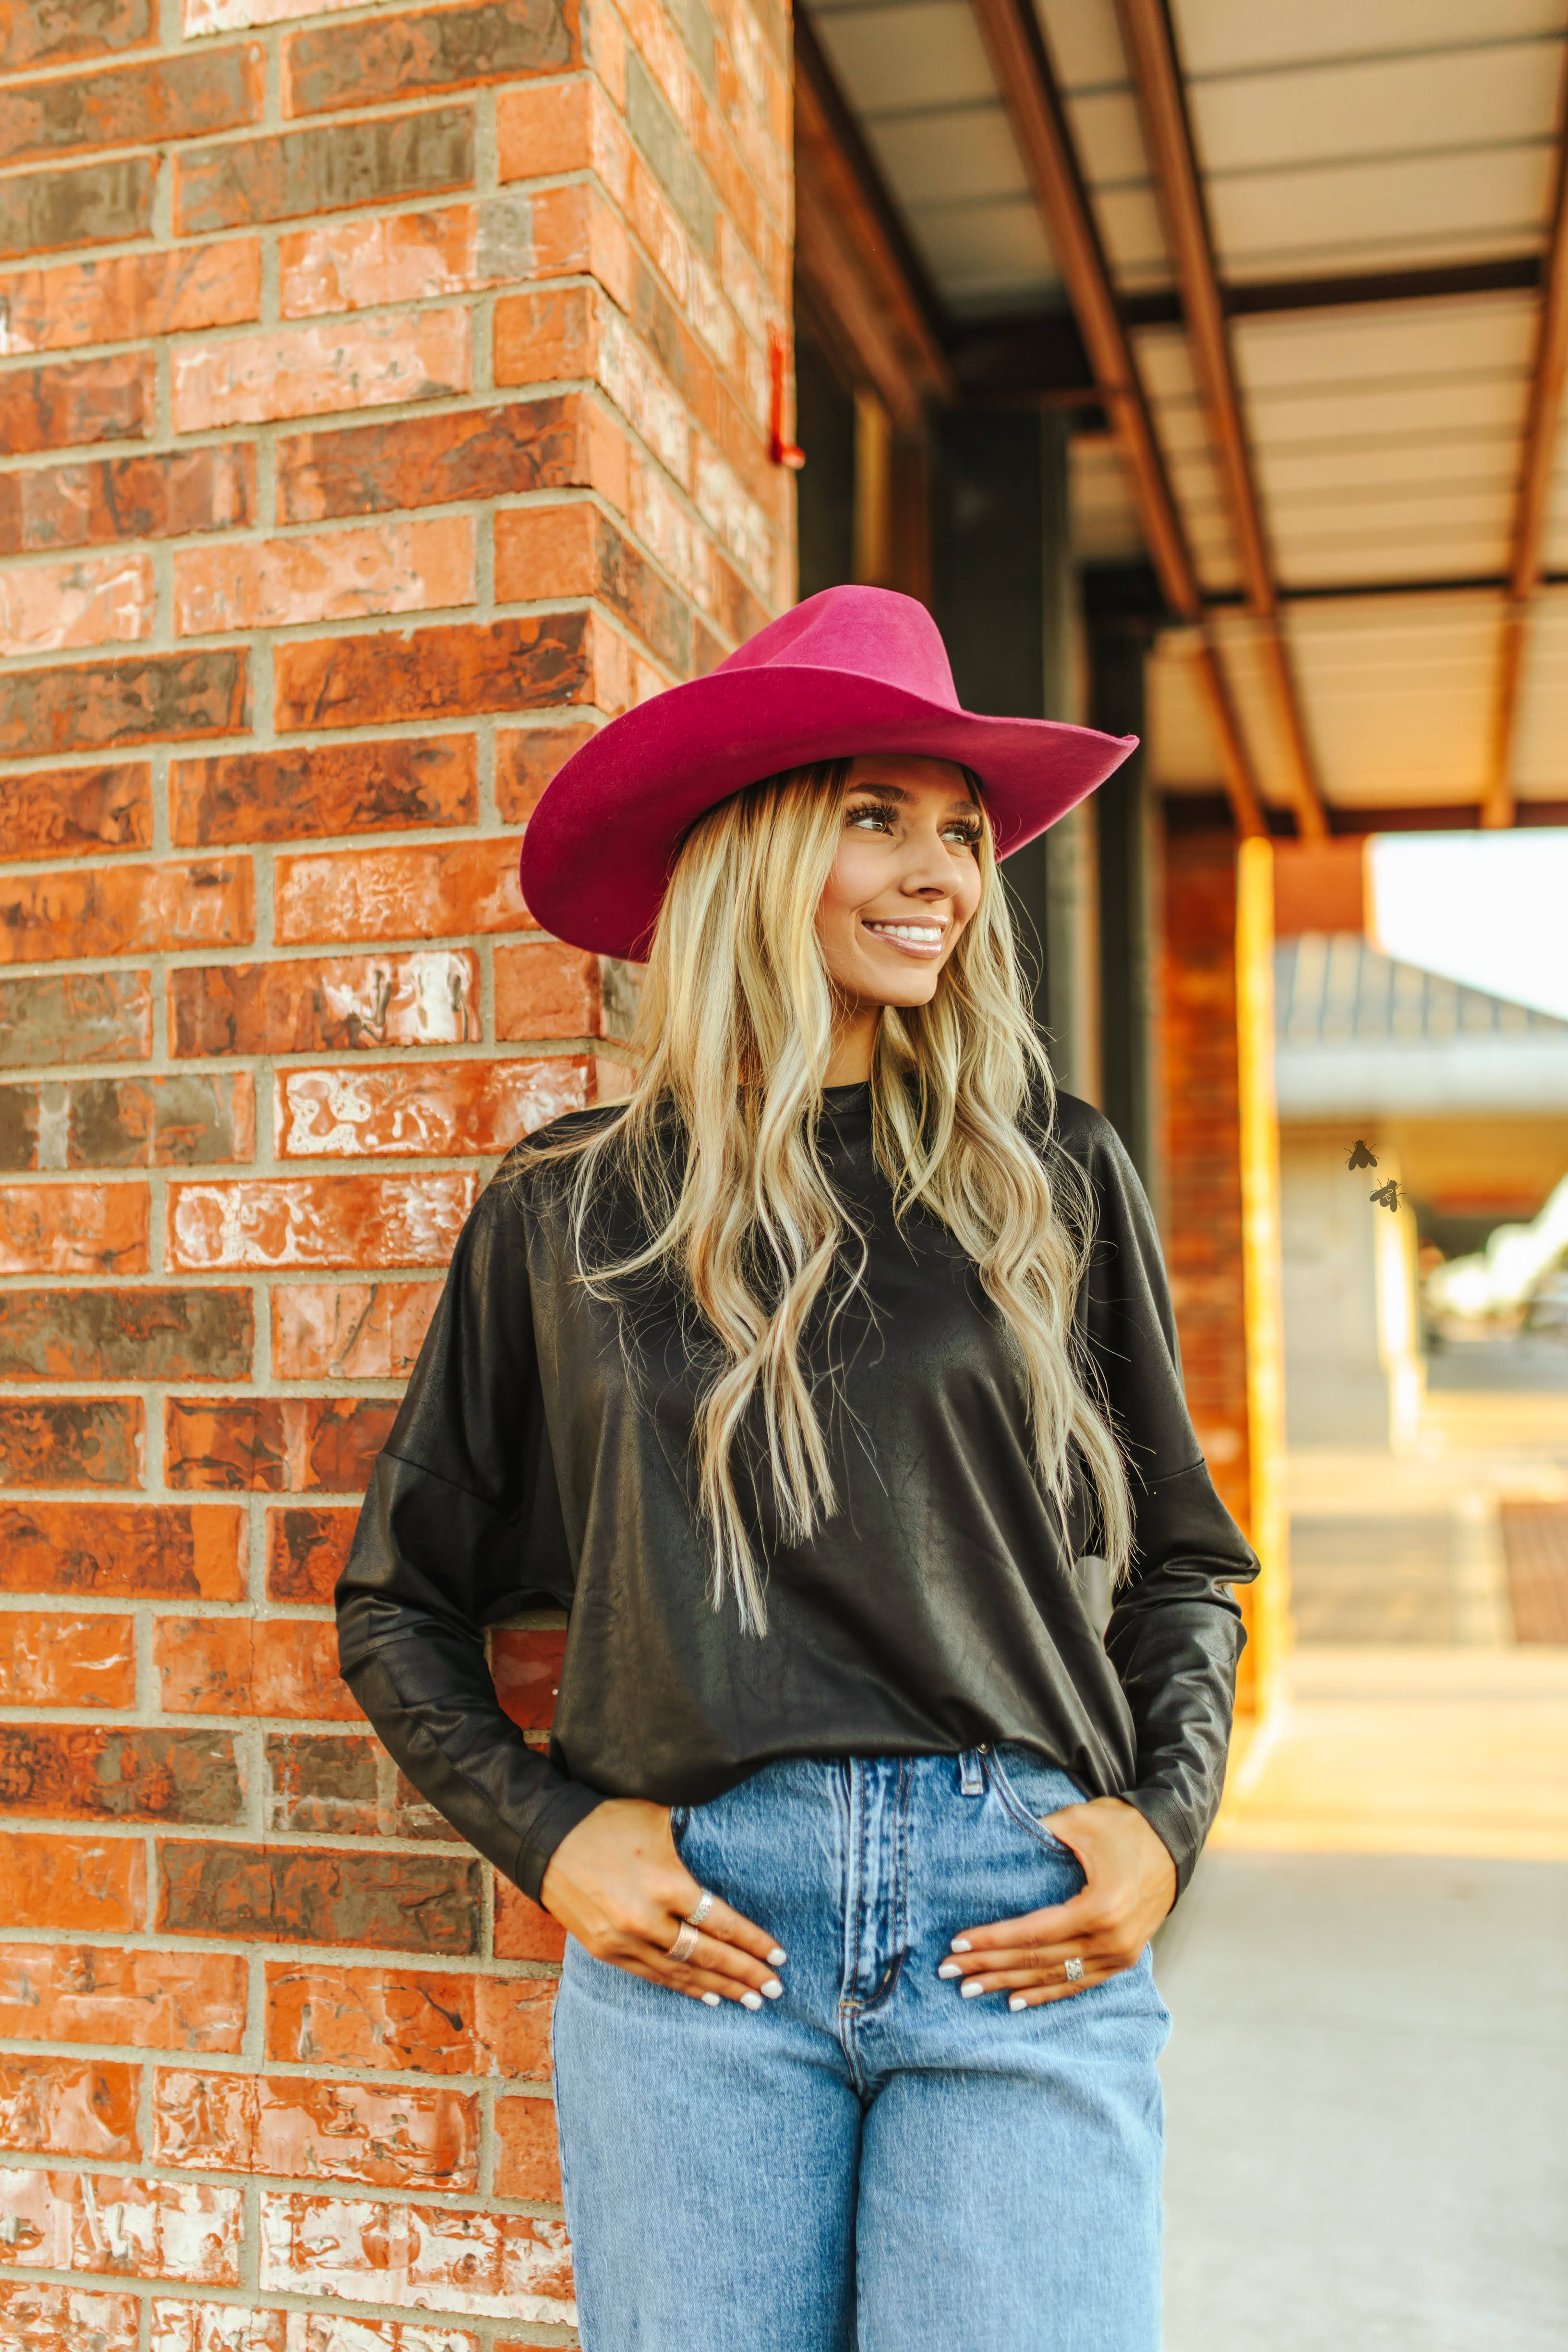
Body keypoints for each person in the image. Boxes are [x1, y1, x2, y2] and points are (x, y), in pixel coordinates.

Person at [337, 585, 1259, 2351]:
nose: (941, 874)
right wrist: (549, 1837)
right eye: (876, 817)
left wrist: (1163, 1827)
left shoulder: (1046, 1175)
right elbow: (400, 1599)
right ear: (756, 847)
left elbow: (1181, 1558)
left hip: (1017, 1914)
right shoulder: (567, 1208)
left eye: (964, 836)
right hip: (700, 1946)